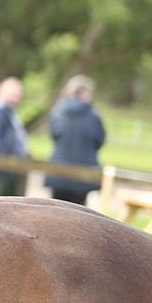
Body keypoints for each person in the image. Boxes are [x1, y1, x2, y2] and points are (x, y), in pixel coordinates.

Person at [46, 75, 106, 205]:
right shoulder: (93, 114)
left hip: (58, 170)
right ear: (84, 93)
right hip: (83, 173)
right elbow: (99, 139)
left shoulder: (57, 111)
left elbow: (54, 134)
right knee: (78, 215)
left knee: (56, 211)